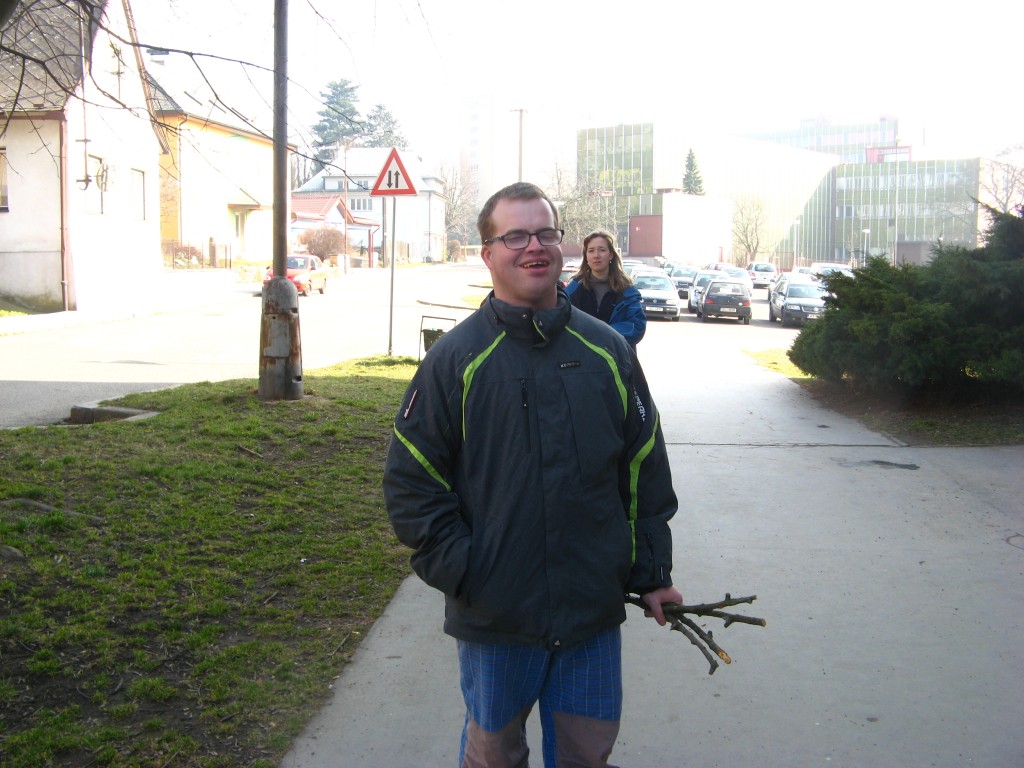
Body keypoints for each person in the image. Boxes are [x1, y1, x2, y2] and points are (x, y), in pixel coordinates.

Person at [383, 181, 682, 768]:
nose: (534, 247)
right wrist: (466, 569)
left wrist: (651, 573)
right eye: (515, 236)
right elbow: (411, 479)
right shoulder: (455, 359)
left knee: (586, 756)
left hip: (590, 613)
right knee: (493, 756)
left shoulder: (607, 351)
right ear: (487, 253)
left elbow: (644, 466)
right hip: (497, 619)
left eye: (545, 233)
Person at [563, 230, 646, 346]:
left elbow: (636, 326)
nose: (596, 255)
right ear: (586, 256)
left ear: (611, 255)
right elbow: (561, 321)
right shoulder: (573, 290)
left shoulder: (627, 291)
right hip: (581, 355)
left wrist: (600, 334)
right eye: (591, 250)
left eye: (602, 250)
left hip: (616, 355)